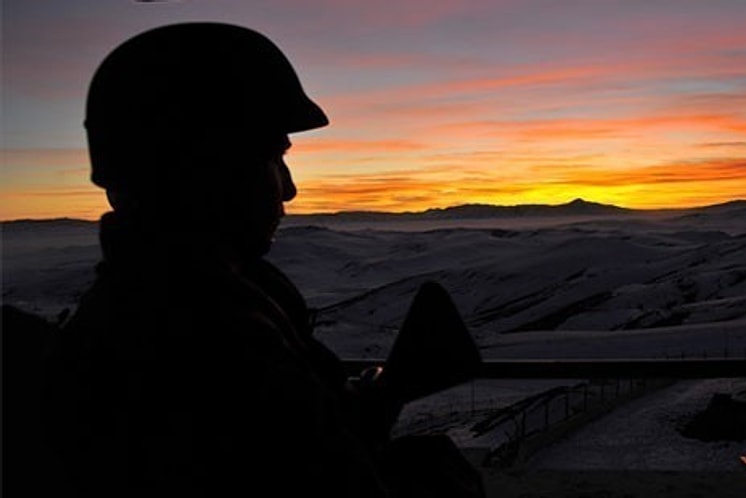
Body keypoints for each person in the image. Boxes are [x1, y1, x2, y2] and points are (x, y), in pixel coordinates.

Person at [42, 23, 482, 497]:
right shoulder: (205, 340)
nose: (288, 187)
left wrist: (373, 402)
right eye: (274, 157)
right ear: (205, 167)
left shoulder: (181, 306)